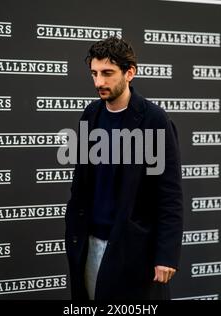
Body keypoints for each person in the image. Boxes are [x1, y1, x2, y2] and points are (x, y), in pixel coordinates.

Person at [65, 36, 183, 300]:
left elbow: (169, 195)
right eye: (94, 73)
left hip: (133, 247)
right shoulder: (91, 114)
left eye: (107, 73)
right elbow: (82, 183)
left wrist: (166, 255)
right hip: (89, 243)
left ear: (130, 72)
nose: (99, 82)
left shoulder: (153, 120)